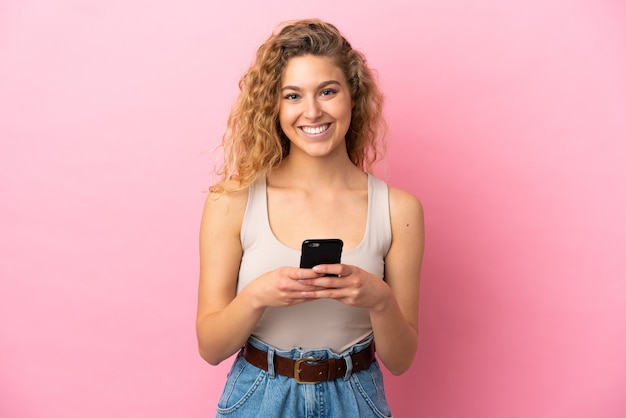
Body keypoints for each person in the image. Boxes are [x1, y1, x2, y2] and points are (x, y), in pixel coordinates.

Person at [196, 18, 424, 418]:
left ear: (352, 96)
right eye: (293, 96)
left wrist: (380, 300)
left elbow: (401, 361)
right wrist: (256, 297)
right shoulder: (232, 202)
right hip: (258, 396)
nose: (312, 111)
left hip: (356, 398)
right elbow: (210, 347)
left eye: (328, 91)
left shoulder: (399, 209)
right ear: (275, 106)